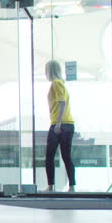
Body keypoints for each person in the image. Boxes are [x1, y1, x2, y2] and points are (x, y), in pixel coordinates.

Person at [44, 60, 75, 192]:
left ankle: (50, 186)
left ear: (49, 71)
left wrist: (58, 124)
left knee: (49, 156)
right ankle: (72, 186)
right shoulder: (61, 84)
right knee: (66, 156)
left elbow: (62, 103)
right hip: (67, 124)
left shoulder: (56, 84)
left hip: (60, 124)